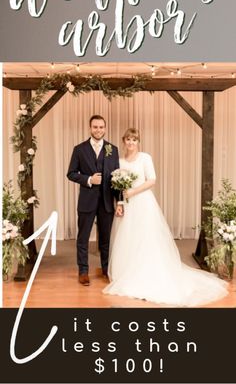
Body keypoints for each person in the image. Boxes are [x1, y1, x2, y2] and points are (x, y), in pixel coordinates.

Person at [103, 128, 228, 306]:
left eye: (134, 139)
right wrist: (121, 203)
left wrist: (132, 192)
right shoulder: (119, 161)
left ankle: (147, 271)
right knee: (128, 237)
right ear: (123, 141)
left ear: (138, 142)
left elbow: (152, 180)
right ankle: (126, 271)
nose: (131, 143)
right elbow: (117, 187)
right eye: (128, 139)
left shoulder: (145, 158)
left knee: (146, 237)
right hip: (127, 205)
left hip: (143, 202)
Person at [67, 115, 119, 286]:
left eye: (101, 127)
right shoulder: (79, 149)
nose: (98, 130)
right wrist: (89, 180)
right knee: (83, 238)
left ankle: (106, 269)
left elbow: (118, 178)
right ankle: (83, 271)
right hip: (86, 201)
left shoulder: (113, 149)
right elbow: (71, 173)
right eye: (95, 127)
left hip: (106, 202)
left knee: (106, 238)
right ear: (90, 128)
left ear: (105, 128)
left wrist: (119, 202)